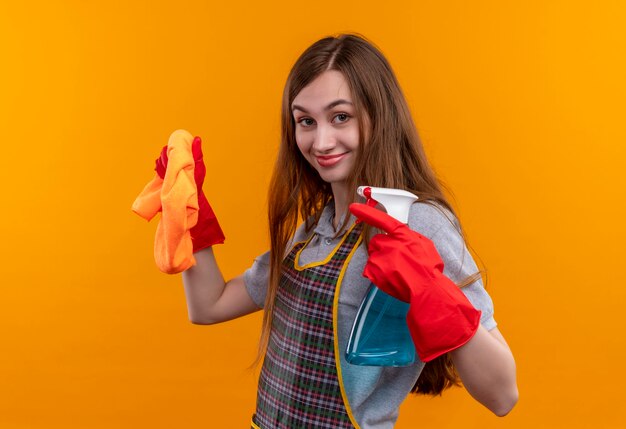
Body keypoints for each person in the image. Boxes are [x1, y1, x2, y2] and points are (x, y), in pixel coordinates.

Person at [154, 34, 518, 428]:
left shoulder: (416, 222)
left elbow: (502, 395)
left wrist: (433, 291)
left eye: (340, 116)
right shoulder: (313, 230)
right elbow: (210, 306)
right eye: (306, 121)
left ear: (379, 115)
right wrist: (190, 215)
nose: (321, 141)